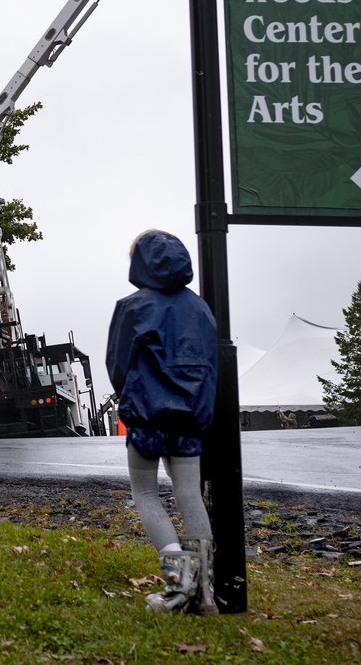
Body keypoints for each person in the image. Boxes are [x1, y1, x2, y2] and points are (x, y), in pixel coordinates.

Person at [105, 229, 219, 615]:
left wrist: (129, 395)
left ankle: (178, 586)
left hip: (149, 413)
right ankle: (205, 593)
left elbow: (117, 365)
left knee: (147, 494)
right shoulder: (201, 309)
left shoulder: (133, 306)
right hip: (191, 417)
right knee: (190, 496)